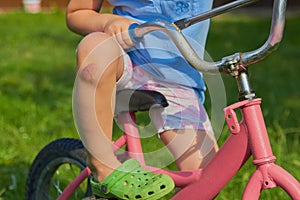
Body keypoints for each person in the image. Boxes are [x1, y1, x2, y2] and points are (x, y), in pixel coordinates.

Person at [66, 0, 218, 199]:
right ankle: (103, 168)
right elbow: (77, 11)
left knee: (209, 176)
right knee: (94, 47)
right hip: (125, 60)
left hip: (177, 78)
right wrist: (107, 22)